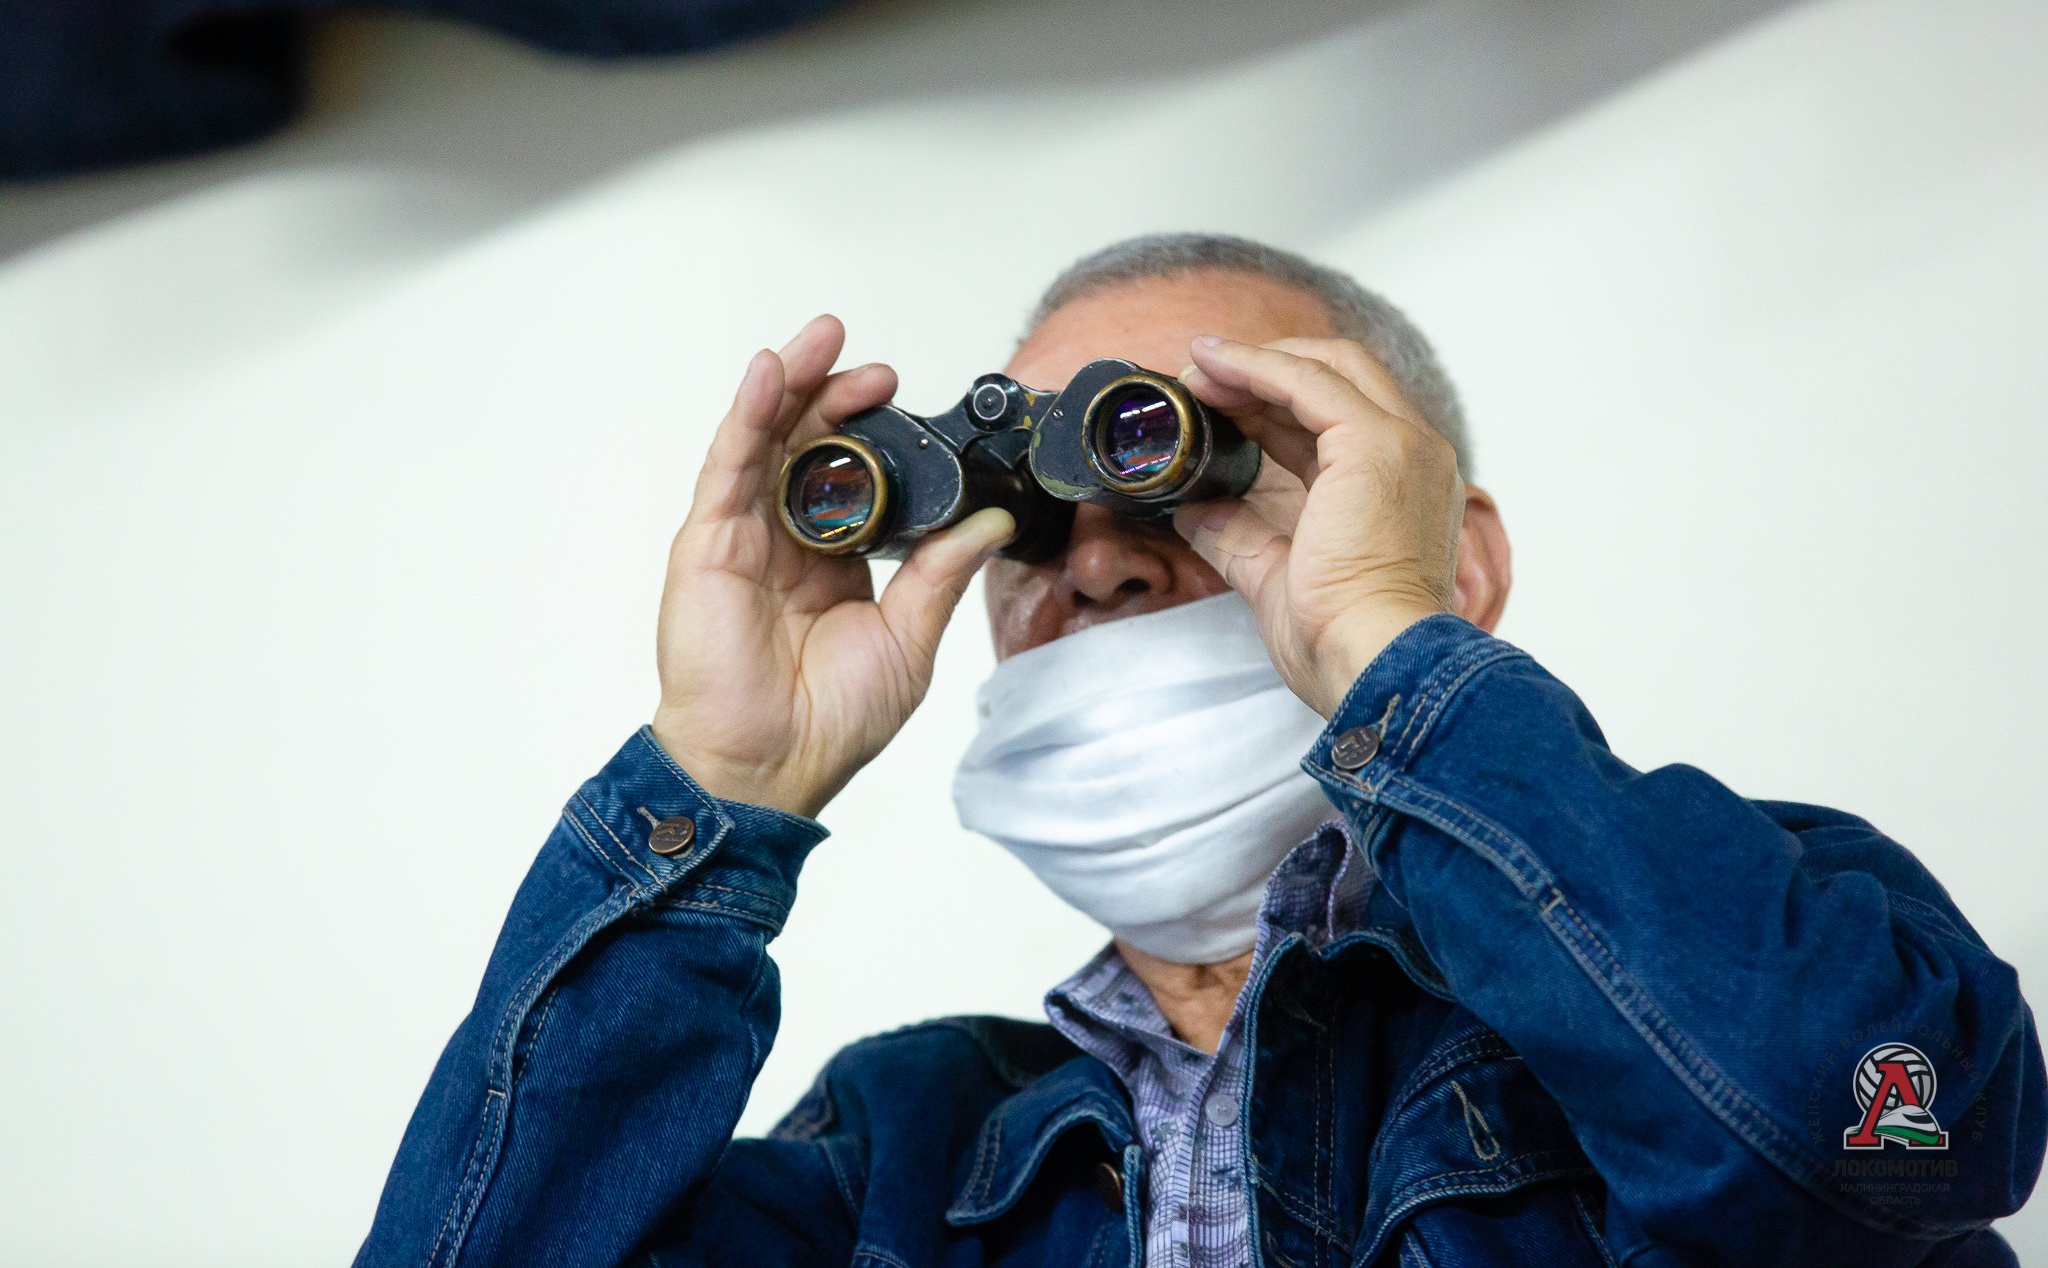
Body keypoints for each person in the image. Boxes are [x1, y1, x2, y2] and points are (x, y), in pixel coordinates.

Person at [354, 234, 2043, 1267]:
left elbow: (1865, 1141)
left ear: (1455, 561)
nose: (1095, 559)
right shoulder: (900, 1153)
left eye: (1185, 463)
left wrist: (1392, 653)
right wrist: (714, 792)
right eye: (1026, 522)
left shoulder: (1790, 939)